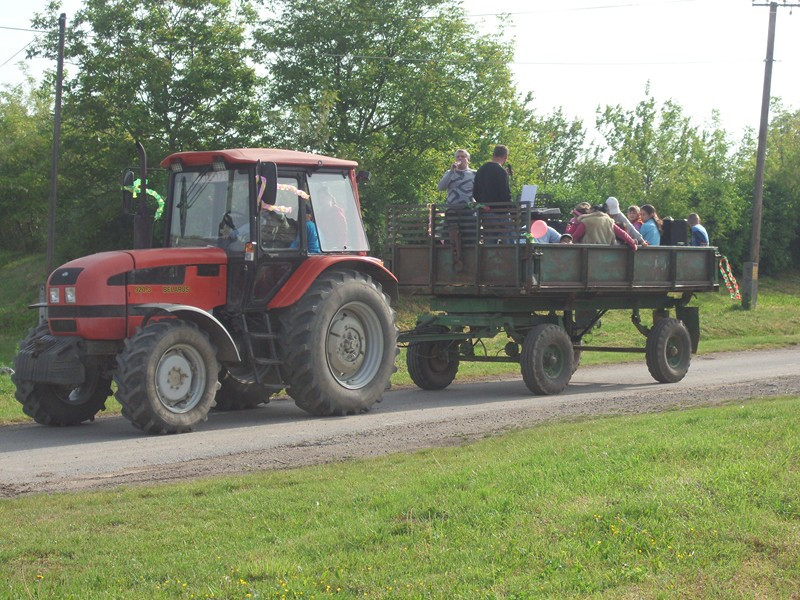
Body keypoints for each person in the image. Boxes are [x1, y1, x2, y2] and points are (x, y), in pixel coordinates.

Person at [438, 149, 476, 271]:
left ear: (468, 159)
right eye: (458, 156)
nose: (460, 159)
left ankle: (470, 264)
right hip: (452, 211)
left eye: (463, 156)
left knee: (470, 238)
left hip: (468, 211)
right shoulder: (449, 173)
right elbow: (440, 187)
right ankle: (449, 264)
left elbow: (480, 191)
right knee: (449, 238)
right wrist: (451, 172)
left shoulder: (474, 174)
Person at [473, 145, 513, 242]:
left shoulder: (481, 170)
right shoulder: (501, 171)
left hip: (486, 214)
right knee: (510, 242)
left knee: (489, 243)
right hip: (501, 214)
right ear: (505, 157)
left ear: (493, 154)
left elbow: (475, 193)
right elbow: (505, 195)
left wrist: (484, 206)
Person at [571, 205, 638, 251]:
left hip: (588, 255)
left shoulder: (585, 221)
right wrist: (632, 244)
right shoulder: (609, 221)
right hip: (607, 254)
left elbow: (574, 238)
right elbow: (622, 234)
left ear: (592, 210)